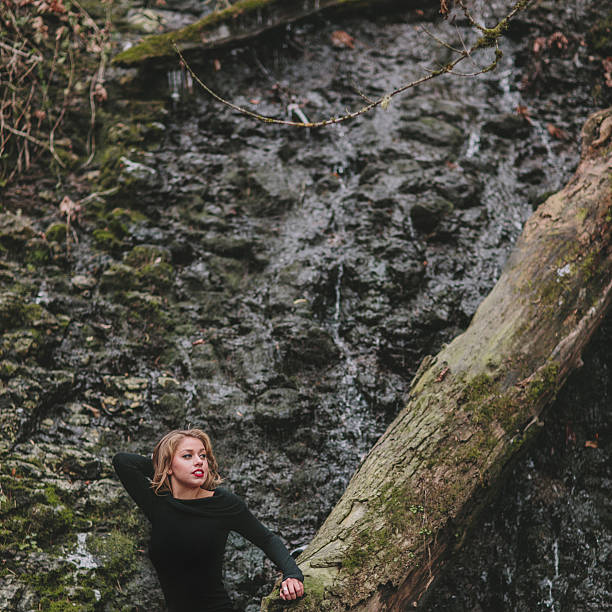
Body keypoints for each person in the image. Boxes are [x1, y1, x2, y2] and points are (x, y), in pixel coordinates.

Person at [113, 428, 305, 611]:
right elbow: (123, 462)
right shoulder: (157, 504)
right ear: (168, 465)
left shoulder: (224, 504)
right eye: (188, 456)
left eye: (202, 456)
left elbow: (266, 539)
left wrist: (293, 575)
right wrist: (165, 466)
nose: (199, 462)